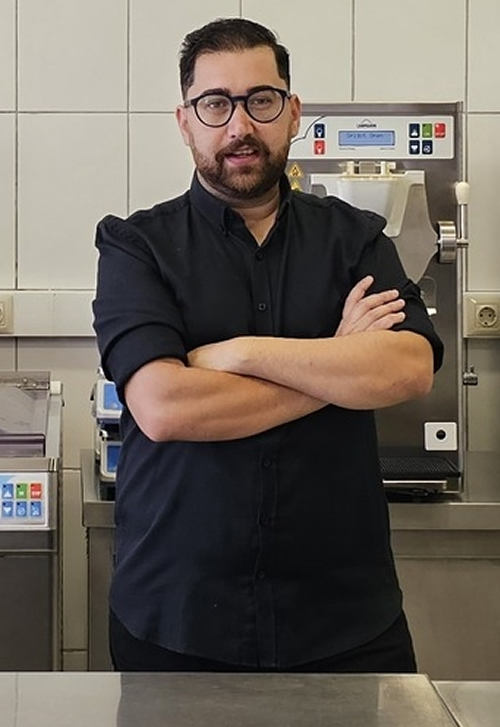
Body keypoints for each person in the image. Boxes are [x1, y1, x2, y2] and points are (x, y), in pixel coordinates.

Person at [93, 17, 443, 673]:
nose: (240, 125)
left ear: (293, 112)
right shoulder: (136, 247)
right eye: (215, 104)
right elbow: (166, 407)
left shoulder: (356, 238)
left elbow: (408, 369)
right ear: (185, 121)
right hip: (177, 615)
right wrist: (336, 365)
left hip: (345, 619)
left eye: (261, 100)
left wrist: (240, 354)